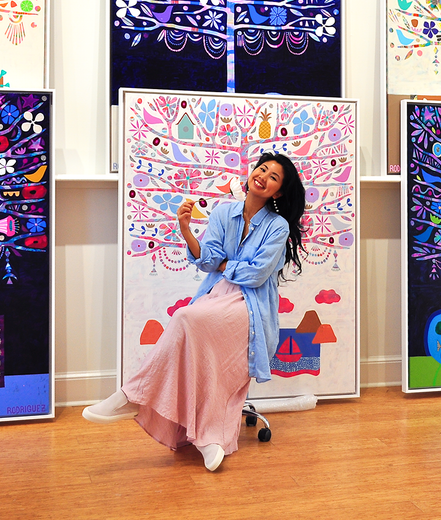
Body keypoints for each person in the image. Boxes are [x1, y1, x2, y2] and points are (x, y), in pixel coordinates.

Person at [83, 152, 305, 471]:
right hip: (216, 294)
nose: (263, 176)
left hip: (251, 306)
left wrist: (225, 265)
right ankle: (199, 432)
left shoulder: (278, 226)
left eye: (274, 177)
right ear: (251, 173)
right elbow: (208, 260)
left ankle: (133, 397)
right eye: (262, 169)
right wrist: (186, 229)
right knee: (192, 330)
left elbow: (256, 275)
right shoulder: (223, 212)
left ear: (279, 192)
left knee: (187, 318)